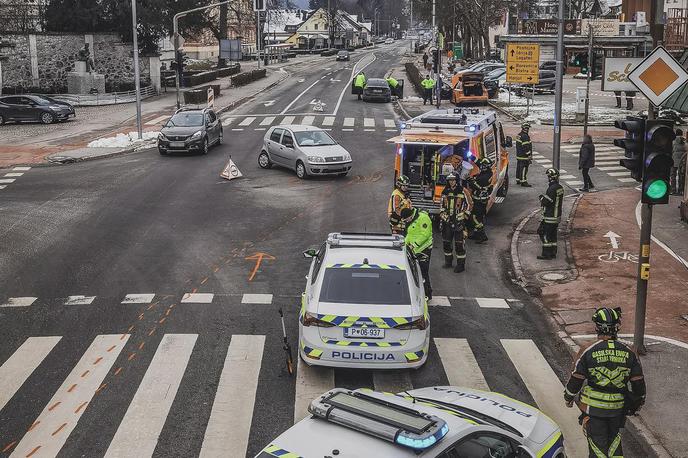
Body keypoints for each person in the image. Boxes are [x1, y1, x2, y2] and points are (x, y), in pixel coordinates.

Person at [564, 307, 645, 458]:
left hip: (593, 410)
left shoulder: (587, 350)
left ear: (597, 327)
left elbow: (576, 379)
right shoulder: (629, 352)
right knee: (614, 443)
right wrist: (637, 404)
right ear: (617, 327)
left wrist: (568, 398)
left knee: (597, 448)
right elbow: (638, 384)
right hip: (617, 410)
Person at [440, 173, 473, 272]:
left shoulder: (463, 191)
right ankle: (448, 262)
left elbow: (470, 204)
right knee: (446, 243)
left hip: (458, 222)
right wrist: (443, 215)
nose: (451, 182)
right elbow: (441, 205)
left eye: (453, 180)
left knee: (459, 244)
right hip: (447, 221)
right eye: (450, 180)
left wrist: (464, 216)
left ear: (457, 180)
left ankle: (461, 265)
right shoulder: (445, 191)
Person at [400, 207, 433, 299]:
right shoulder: (411, 220)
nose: (406, 221)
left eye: (406, 219)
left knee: (423, 272)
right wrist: (404, 244)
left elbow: (425, 235)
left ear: (410, 216)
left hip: (424, 250)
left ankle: (427, 294)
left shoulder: (423, 218)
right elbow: (410, 235)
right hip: (414, 250)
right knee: (414, 271)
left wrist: (414, 245)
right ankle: (417, 293)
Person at [537, 168, 564, 260]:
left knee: (544, 234)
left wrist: (541, 198)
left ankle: (546, 254)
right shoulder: (560, 187)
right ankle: (553, 252)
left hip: (550, 216)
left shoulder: (551, 189)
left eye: (548, 176)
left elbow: (547, 202)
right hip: (557, 216)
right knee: (553, 235)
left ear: (550, 177)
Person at [467, 157, 494, 243]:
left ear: (485, 166)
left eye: (483, 165)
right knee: (479, 217)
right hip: (483, 200)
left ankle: (482, 235)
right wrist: (470, 155)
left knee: (474, 217)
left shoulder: (483, 178)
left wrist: (470, 180)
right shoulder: (488, 172)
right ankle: (476, 234)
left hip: (479, 200)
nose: (481, 166)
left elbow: (475, 186)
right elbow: (478, 162)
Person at [515, 122, 533, 187]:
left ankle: (518, 179)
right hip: (524, 156)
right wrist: (529, 155)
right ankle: (523, 181)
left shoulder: (519, 135)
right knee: (524, 168)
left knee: (519, 168)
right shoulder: (525, 136)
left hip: (519, 155)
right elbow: (526, 147)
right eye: (528, 128)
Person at [671, 129, 686, 195]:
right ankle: (681, 190)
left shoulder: (673, 142)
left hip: (673, 161)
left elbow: (671, 150)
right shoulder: (684, 142)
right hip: (682, 161)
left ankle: (673, 190)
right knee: (681, 176)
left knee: (673, 175)